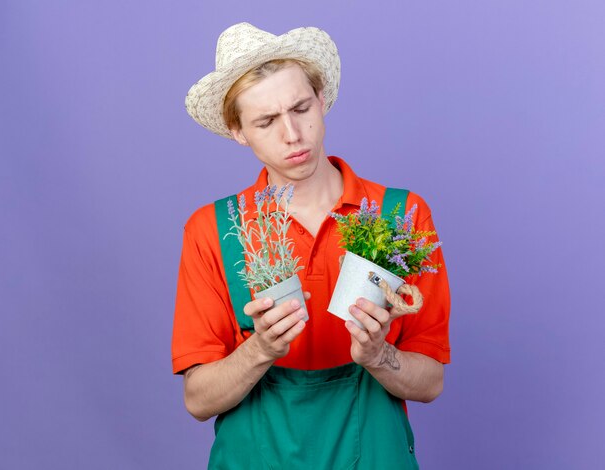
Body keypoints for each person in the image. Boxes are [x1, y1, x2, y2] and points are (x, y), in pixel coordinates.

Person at [172, 22, 450, 469]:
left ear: (321, 100)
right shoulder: (213, 230)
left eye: (301, 108)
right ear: (238, 130)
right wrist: (260, 349)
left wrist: (379, 355)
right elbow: (198, 400)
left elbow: (431, 382)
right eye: (266, 121)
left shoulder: (400, 217)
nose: (292, 134)